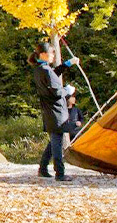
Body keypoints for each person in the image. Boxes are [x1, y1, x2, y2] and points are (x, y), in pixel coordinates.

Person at [31, 42, 79, 181]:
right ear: (44, 54)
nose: (53, 56)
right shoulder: (45, 70)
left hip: (49, 110)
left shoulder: (40, 68)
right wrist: (68, 91)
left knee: (53, 141)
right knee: (57, 141)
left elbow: (53, 74)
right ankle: (60, 173)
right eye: (52, 53)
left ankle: (43, 168)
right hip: (55, 111)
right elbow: (57, 92)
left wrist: (68, 64)